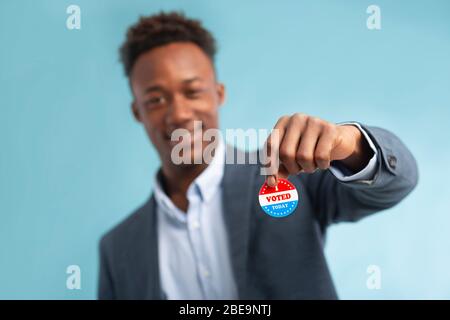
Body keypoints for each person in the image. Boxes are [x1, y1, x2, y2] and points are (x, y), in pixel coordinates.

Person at [98, 11, 418, 299]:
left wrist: (350, 144)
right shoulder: (117, 249)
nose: (179, 113)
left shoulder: (292, 173)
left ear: (218, 94)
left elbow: (396, 185)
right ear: (137, 112)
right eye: (155, 100)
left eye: (193, 91)